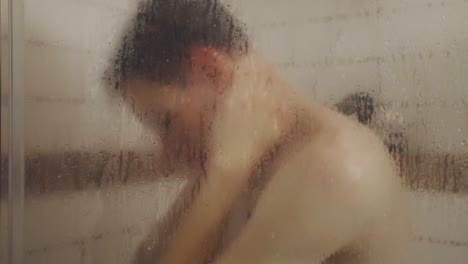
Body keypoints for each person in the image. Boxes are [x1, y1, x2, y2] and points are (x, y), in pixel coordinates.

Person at [105, 1, 410, 263]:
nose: (166, 149)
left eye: (166, 121)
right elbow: (147, 258)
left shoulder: (337, 168)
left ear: (211, 70)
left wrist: (226, 175)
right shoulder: (240, 153)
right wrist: (219, 174)